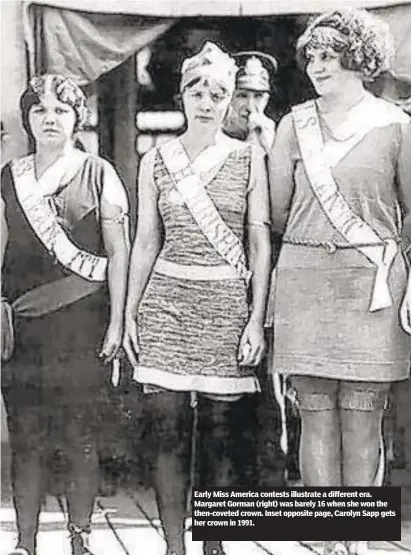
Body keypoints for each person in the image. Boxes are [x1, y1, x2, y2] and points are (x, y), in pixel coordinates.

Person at [268, 9, 411, 555]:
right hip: (306, 277)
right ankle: (327, 538)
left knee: (363, 414)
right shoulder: (292, 125)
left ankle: (358, 537)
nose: (317, 65)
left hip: (372, 284)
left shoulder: (396, 126)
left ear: (360, 60)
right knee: (315, 413)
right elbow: (277, 214)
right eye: (313, 55)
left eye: (330, 55)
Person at [123, 42, 271, 555]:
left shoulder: (250, 158)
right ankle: (172, 545)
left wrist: (256, 318)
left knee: (219, 437)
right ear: (181, 94)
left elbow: (258, 242)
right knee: (166, 431)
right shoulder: (155, 159)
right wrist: (129, 314)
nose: (207, 101)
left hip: (226, 307)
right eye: (197, 91)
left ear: (231, 100)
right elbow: (145, 241)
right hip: (166, 303)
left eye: (219, 93)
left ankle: (214, 543)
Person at [1, 74, 130, 555]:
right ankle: (26, 542)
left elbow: (119, 254)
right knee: (28, 437)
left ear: (78, 118)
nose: (50, 119)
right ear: (28, 120)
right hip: (27, 329)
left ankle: (81, 539)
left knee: (81, 435)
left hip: (86, 324)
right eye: (40, 111)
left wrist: (119, 322)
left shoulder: (100, 173)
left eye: (60, 110)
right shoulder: (9, 179)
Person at [224, 50, 289, 486]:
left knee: (270, 386)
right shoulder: (205, 141)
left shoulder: (279, 141)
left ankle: (269, 489)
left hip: (268, 278)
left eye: (259, 95)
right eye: (242, 94)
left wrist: (269, 153)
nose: (250, 106)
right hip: (216, 278)